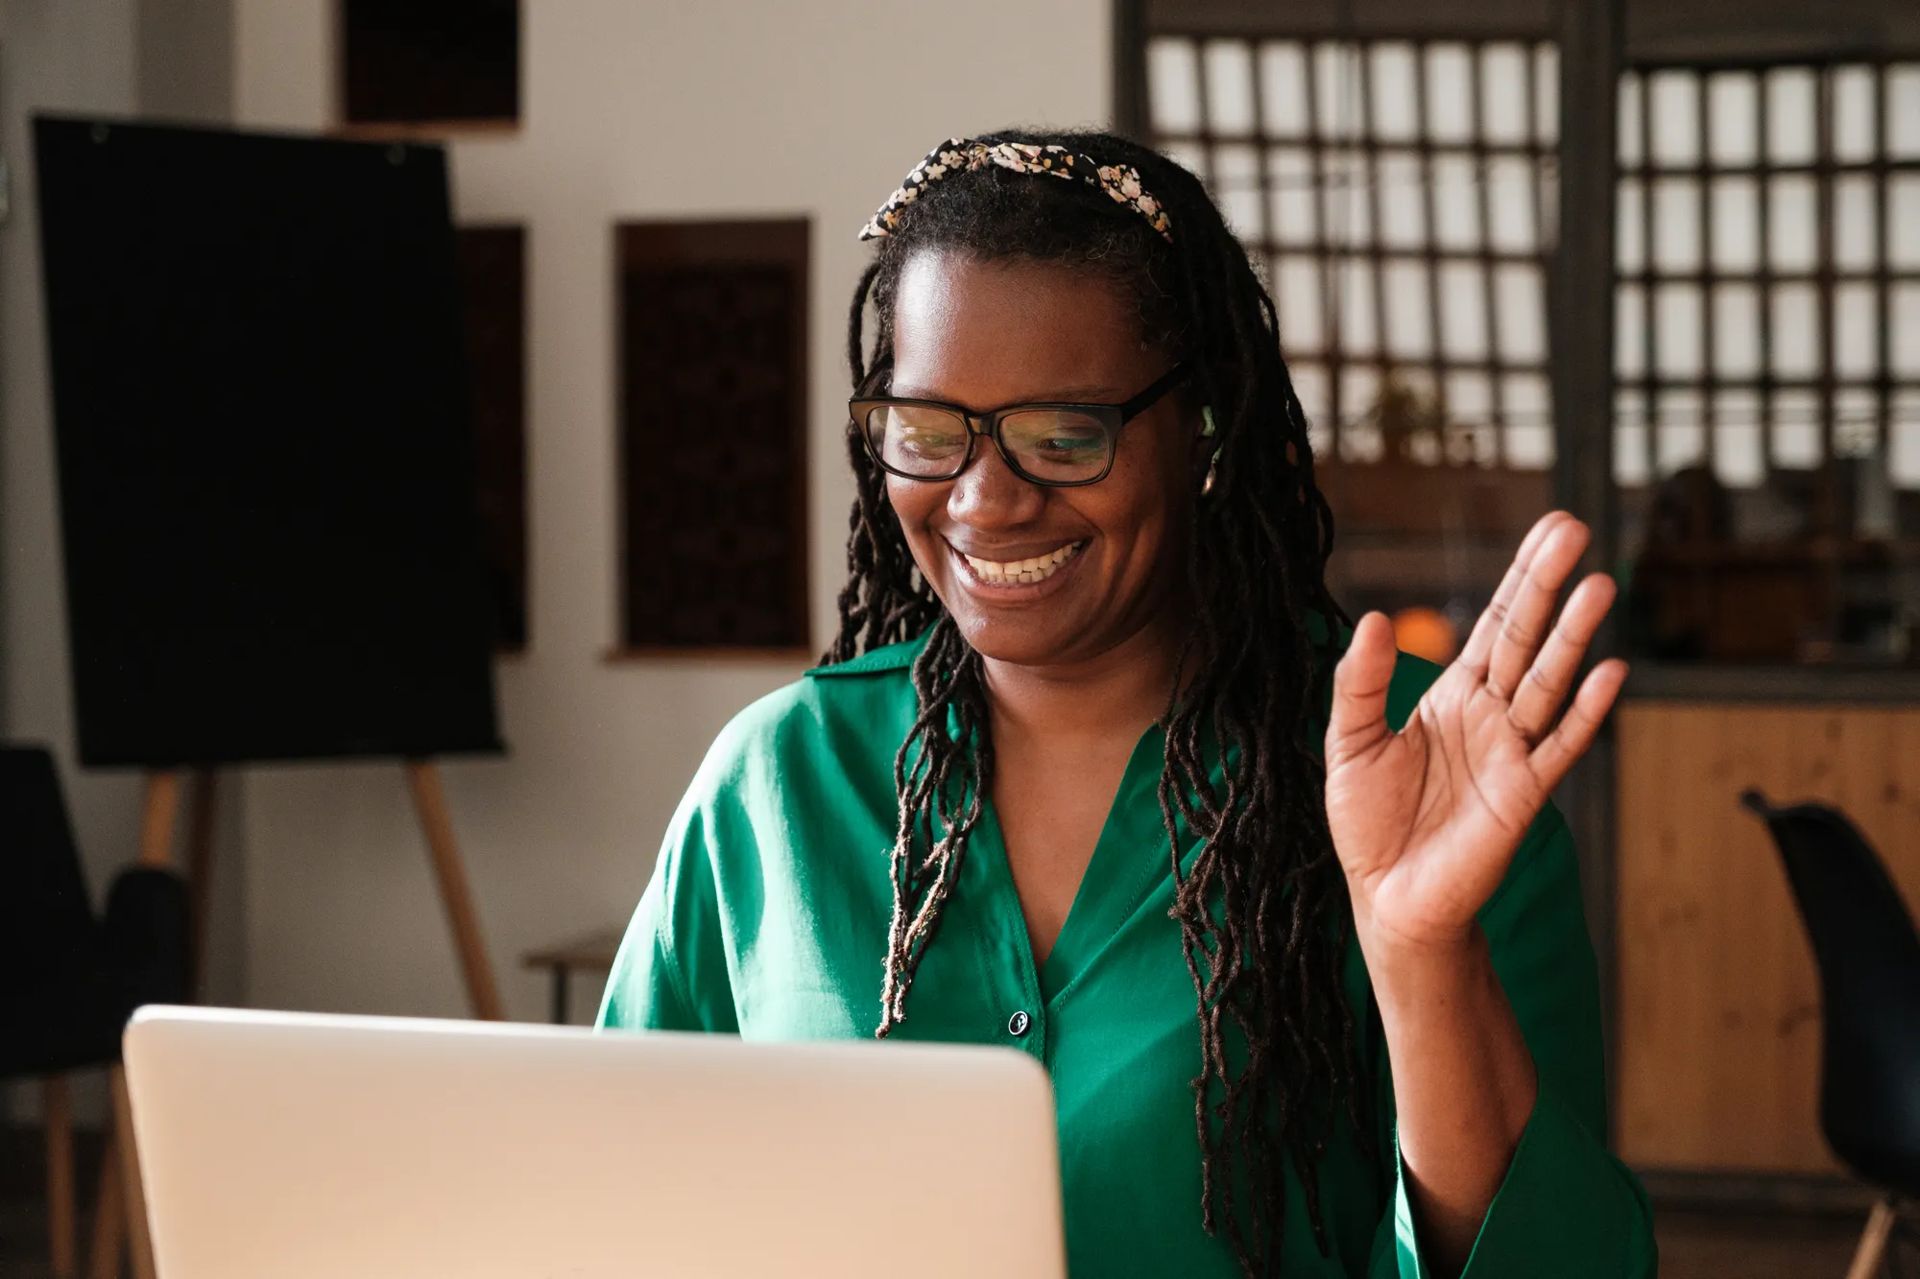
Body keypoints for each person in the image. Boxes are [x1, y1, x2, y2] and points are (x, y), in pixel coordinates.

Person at [598, 130, 1656, 1278]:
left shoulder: (1425, 783)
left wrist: (1419, 954)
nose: (985, 501)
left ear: (1199, 428)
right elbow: (607, 1196)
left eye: (1065, 436)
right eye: (930, 432)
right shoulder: (777, 783)